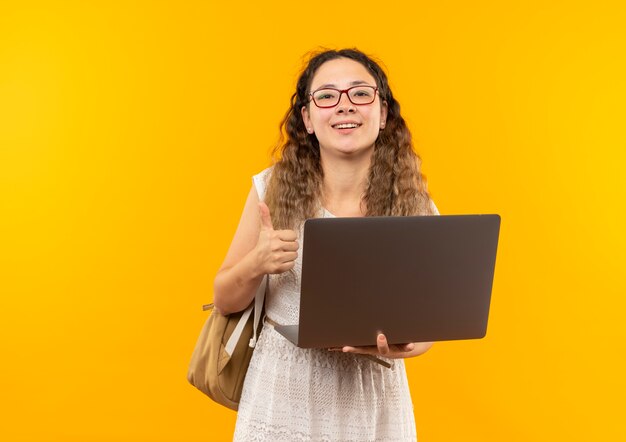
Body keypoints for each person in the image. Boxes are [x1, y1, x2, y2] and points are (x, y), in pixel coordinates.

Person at [213, 48, 439, 441]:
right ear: (308, 118)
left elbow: (429, 329)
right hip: (283, 392)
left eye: (360, 94)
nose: (344, 106)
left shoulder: (414, 204)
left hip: (373, 399)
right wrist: (258, 263)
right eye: (327, 96)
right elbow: (223, 299)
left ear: (383, 114)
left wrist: (400, 346)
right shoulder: (272, 188)